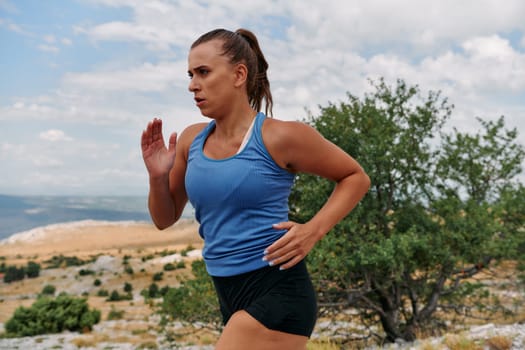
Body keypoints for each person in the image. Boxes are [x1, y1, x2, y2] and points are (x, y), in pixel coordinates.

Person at [141, 28, 370, 350]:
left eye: (203, 72)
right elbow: (164, 218)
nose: (193, 85)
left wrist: (313, 231)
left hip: (278, 289)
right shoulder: (192, 140)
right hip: (227, 290)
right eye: (191, 74)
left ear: (239, 74)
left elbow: (355, 176)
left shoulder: (281, 137)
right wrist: (156, 177)